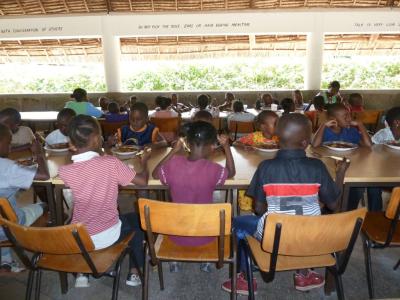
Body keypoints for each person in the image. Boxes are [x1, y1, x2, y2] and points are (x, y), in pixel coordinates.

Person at [222, 113, 349, 295]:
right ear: (305, 143)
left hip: (274, 236)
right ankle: (304, 273)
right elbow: (334, 205)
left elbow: (258, 209)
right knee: (306, 217)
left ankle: (244, 278)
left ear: (277, 138)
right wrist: (341, 174)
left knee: (236, 224)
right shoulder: (317, 167)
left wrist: (279, 205)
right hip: (311, 236)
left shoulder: (266, 167)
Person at [58, 115, 150, 288]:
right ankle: (134, 273)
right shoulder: (110, 163)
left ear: (72, 143)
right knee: (139, 224)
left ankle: (82, 273)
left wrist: (84, 149)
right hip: (108, 236)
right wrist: (144, 162)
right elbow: (143, 181)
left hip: (80, 238)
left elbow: (84, 167)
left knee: (80, 217)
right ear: (95, 139)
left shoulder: (66, 171)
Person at [153, 121, 235, 273]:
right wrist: (226, 147)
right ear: (212, 146)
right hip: (206, 234)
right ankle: (205, 259)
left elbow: (154, 173)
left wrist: (173, 150)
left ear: (187, 144)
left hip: (175, 233)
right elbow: (231, 172)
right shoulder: (214, 169)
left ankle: (175, 259)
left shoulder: (173, 164)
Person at [0, 123, 49, 272]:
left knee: (4, 214)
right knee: (45, 206)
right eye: (8, 143)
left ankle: (6, 260)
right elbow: (44, 176)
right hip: (12, 226)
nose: (10, 148)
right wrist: (39, 154)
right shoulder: (8, 167)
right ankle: (51, 248)